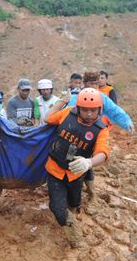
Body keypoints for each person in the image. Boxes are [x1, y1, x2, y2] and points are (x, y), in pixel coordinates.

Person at [44, 88, 110, 248]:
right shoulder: (66, 113)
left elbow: (103, 152)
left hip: (76, 174)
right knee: (58, 208)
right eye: (85, 110)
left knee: (74, 203)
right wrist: (62, 101)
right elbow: (48, 119)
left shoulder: (101, 130)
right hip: (55, 169)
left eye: (93, 111)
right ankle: (76, 240)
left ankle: (71, 214)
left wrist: (89, 163)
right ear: (78, 108)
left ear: (99, 110)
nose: (89, 114)